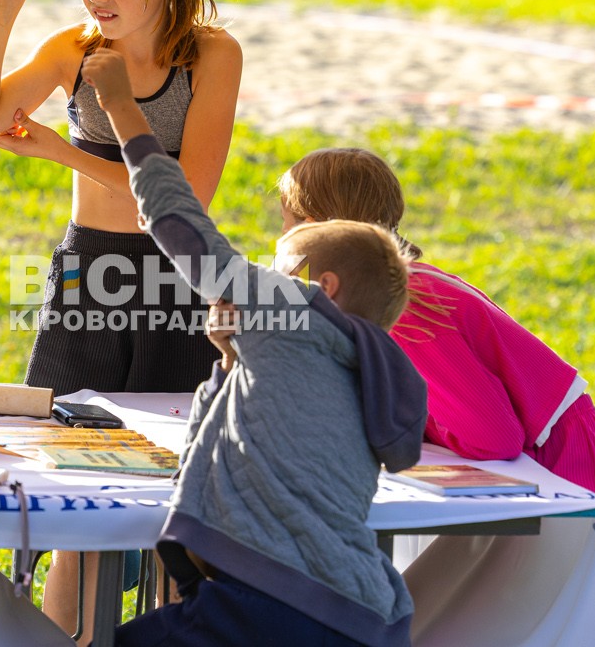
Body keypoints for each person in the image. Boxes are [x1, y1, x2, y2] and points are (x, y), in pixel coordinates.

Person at [0, 0, 242, 637]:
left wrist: (61, 151)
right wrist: (7, 0)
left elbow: (191, 195)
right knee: (69, 493)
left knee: (178, 510)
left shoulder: (212, 55)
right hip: (88, 277)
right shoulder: (74, 51)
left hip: (180, 277)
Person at [80, 48, 427, 647]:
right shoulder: (366, 363)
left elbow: (179, 220)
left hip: (274, 602)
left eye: (284, 261)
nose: (270, 268)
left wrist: (120, 106)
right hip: (362, 615)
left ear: (324, 287)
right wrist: (232, 361)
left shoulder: (293, 307)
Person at [278, 147, 595, 524]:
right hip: (550, 470)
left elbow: (493, 437)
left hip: (566, 479)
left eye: (285, 226)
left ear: (311, 233)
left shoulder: (401, 306)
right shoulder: (398, 285)